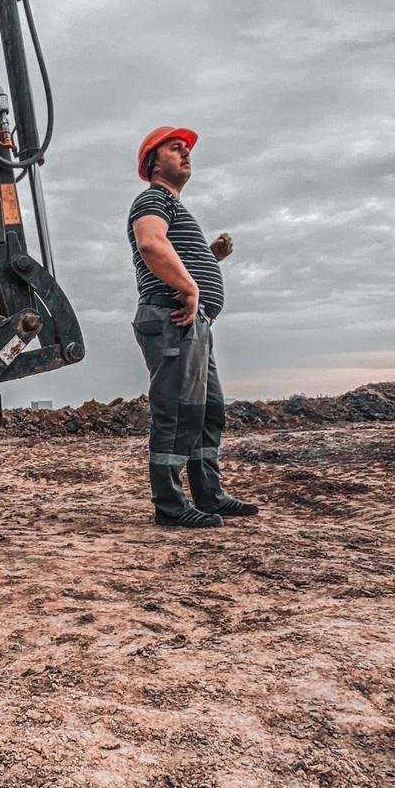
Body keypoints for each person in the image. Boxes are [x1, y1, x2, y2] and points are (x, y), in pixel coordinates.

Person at [127, 125, 259, 529]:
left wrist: (209, 256)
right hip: (171, 317)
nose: (185, 155)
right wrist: (188, 286)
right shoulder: (152, 199)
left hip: (192, 322)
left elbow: (178, 256)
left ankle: (209, 495)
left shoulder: (175, 207)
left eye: (187, 151)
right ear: (153, 163)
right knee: (177, 411)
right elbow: (152, 244)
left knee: (207, 412)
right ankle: (170, 506)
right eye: (175, 148)